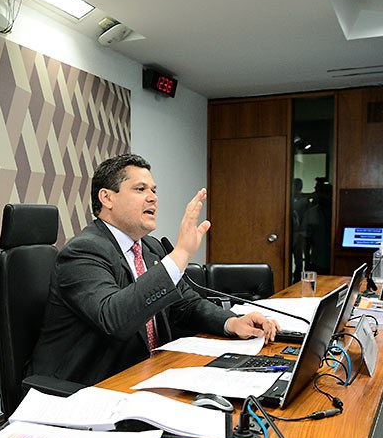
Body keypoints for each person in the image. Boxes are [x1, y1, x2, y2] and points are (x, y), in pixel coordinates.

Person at [31, 154, 280, 385]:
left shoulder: (149, 247)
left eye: (154, 190)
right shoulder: (83, 251)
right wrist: (180, 254)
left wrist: (232, 323)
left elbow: (186, 304)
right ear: (107, 198)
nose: (153, 197)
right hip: (90, 387)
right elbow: (114, 319)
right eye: (140, 189)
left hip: (148, 374)